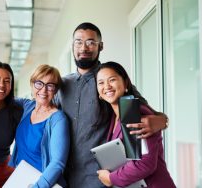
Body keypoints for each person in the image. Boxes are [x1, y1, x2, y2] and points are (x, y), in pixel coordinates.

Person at [54, 22, 168, 187]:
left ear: (100, 46)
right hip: (65, 178)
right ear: (73, 46)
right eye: (78, 42)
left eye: (91, 42)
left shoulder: (112, 84)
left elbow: (144, 111)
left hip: (100, 178)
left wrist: (163, 120)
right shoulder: (62, 85)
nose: (84, 48)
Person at [95, 61, 175, 187]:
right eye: (101, 83)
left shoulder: (131, 111)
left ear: (125, 83)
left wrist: (111, 178)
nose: (107, 86)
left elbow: (144, 164)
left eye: (112, 80)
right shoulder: (115, 116)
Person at [9, 64, 70, 188]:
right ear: (32, 85)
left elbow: (58, 163)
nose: (43, 90)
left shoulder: (58, 119)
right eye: (39, 83)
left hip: (44, 184)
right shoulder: (28, 106)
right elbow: (1, 97)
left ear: (55, 90)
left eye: (50, 85)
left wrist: (38, 186)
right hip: (21, 179)